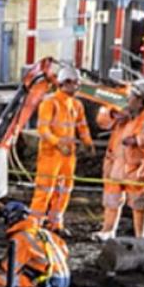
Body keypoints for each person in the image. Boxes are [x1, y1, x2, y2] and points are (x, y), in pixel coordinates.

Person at [92, 81, 144, 241]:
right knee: (111, 200)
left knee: (140, 202)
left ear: (141, 100)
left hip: (136, 168)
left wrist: (138, 140)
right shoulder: (122, 113)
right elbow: (101, 120)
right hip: (115, 166)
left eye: (131, 97)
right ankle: (107, 230)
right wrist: (113, 115)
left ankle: (140, 236)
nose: (128, 99)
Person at [29, 63, 93, 233]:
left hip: (68, 156)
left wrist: (87, 142)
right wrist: (58, 144)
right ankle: (34, 226)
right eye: (75, 83)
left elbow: (82, 126)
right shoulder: (50, 103)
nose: (77, 86)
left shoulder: (76, 105)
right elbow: (43, 129)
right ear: (65, 82)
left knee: (64, 190)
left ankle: (55, 223)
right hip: (50, 155)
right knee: (45, 190)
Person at [0, 200, 71, 287]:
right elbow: (65, 251)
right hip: (64, 278)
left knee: (0, 279)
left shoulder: (20, 238)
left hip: (48, 282)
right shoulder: (43, 232)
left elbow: (10, 268)